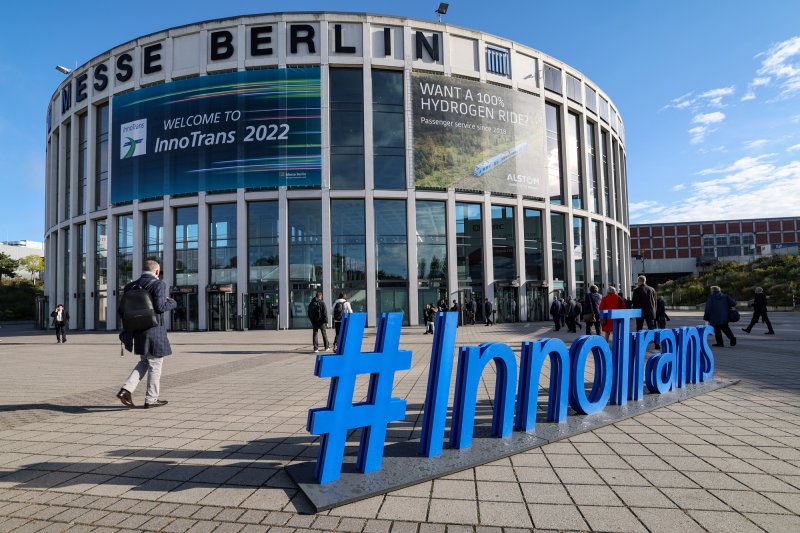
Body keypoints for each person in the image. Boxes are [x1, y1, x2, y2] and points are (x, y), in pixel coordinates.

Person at [117, 260, 177, 409]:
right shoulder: (158, 284)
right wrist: (173, 302)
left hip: (137, 330)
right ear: (157, 271)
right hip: (153, 330)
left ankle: (126, 390)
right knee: (155, 365)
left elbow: (123, 309)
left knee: (144, 361)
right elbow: (160, 307)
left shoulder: (130, 286)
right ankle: (151, 399)